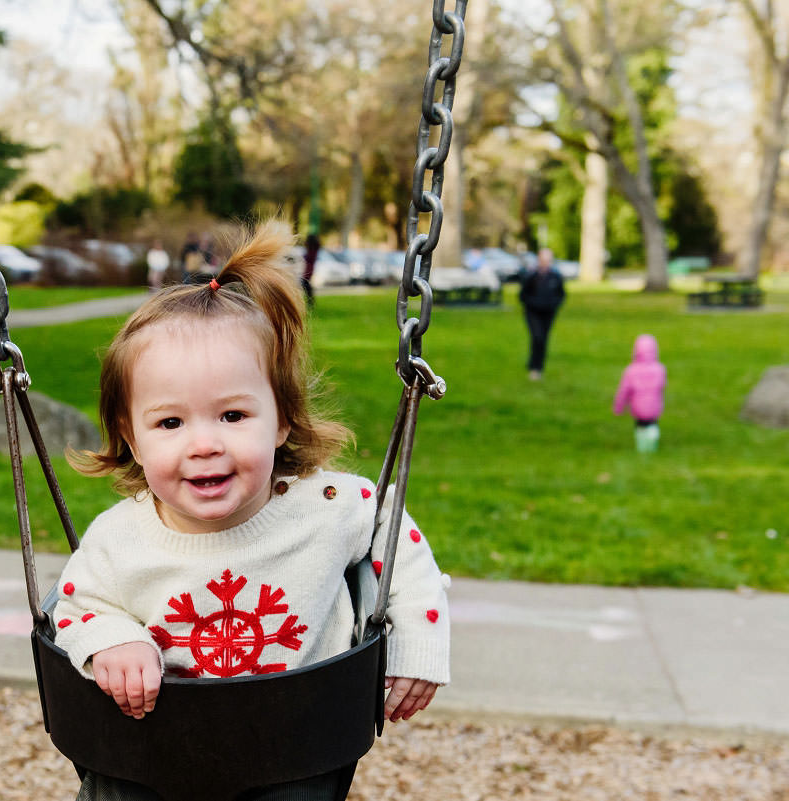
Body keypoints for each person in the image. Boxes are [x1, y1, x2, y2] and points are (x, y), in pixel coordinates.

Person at [53, 221, 450, 801]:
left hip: (295, 747)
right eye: (170, 422)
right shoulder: (119, 538)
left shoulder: (331, 507)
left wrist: (417, 637)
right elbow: (77, 605)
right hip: (153, 749)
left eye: (233, 416)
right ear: (131, 438)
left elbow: (396, 541)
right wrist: (116, 641)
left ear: (283, 420)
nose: (204, 444)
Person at [613, 334, 667, 453]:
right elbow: (662, 387)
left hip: (638, 408)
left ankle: (643, 448)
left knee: (641, 426)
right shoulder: (660, 369)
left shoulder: (631, 370)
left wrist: (619, 408)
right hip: (654, 408)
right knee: (652, 424)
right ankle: (652, 441)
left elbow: (624, 391)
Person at [518, 247, 566, 380]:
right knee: (537, 336)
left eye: (548, 260)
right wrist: (533, 303)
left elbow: (561, 294)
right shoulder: (531, 275)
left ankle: (538, 366)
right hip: (533, 312)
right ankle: (534, 367)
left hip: (548, 313)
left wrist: (553, 304)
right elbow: (522, 295)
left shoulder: (555, 276)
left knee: (543, 338)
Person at [301, 232, 320, 307]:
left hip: (308, 270)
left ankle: (310, 302)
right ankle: (310, 302)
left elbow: (309, 258)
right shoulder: (313, 249)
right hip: (309, 269)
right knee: (306, 285)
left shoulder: (312, 250)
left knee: (306, 285)